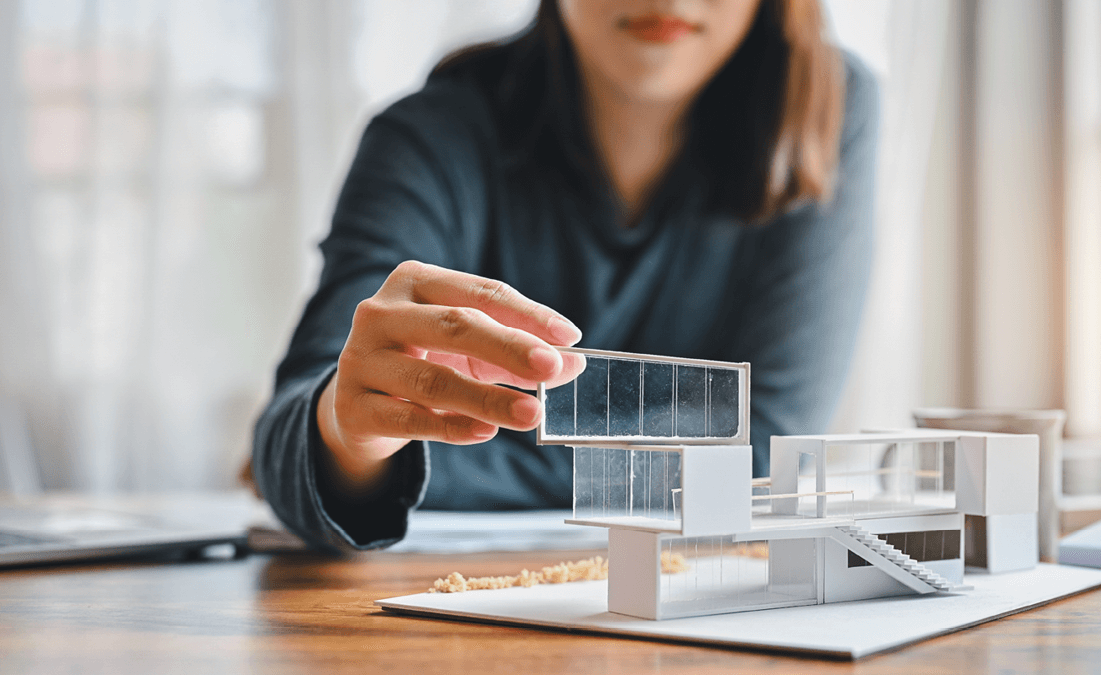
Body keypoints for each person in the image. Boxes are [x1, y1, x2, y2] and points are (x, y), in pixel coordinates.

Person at [254, 0, 878, 551]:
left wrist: (416, 465)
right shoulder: (429, 136)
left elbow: (764, 452)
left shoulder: (822, 106)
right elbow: (298, 438)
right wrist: (345, 439)